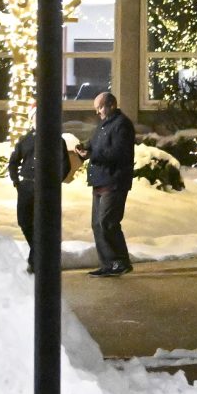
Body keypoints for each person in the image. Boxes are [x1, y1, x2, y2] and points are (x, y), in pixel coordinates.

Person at [84, 89, 136, 277]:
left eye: (100, 108)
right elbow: (95, 145)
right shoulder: (104, 125)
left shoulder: (122, 125)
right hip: (99, 180)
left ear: (111, 105)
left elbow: (119, 153)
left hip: (114, 181)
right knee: (97, 224)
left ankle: (120, 261)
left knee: (108, 222)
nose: (97, 112)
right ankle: (107, 263)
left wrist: (94, 155)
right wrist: (85, 148)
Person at [9, 123, 71, 272]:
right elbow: (13, 161)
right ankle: (40, 255)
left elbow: (65, 164)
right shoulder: (26, 139)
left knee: (42, 223)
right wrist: (16, 181)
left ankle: (36, 261)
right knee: (24, 221)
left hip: (45, 188)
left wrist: (54, 183)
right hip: (26, 187)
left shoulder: (56, 140)